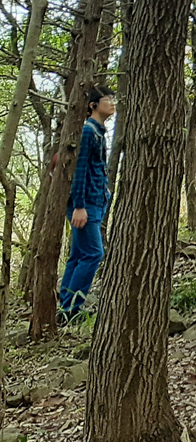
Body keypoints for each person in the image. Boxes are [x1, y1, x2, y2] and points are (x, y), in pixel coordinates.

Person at [58, 85, 115, 319]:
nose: (112, 103)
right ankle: (71, 309)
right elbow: (79, 171)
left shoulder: (98, 132)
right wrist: (79, 206)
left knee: (79, 254)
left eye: (113, 98)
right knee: (93, 254)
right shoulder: (88, 132)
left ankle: (65, 308)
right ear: (93, 105)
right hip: (85, 204)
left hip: (95, 201)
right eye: (107, 99)